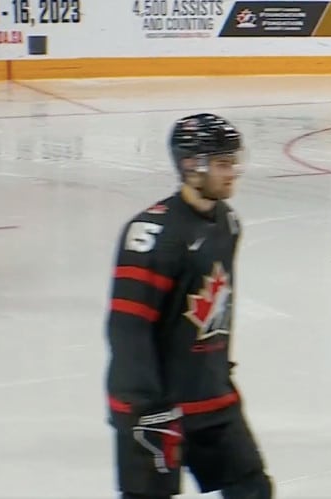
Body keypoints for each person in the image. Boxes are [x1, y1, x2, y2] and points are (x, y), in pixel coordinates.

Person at [104, 113, 273, 498]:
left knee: (252, 488)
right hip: (153, 405)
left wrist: (218, 368)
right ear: (190, 166)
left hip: (210, 395)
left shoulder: (227, 222)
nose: (233, 172)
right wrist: (145, 409)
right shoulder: (152, 235)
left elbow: (216, 309)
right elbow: (128, 329)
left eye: (234, 161)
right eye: (222, 163)